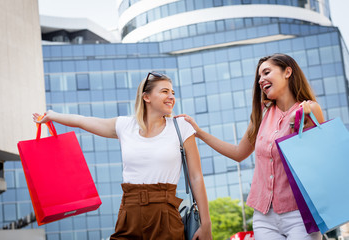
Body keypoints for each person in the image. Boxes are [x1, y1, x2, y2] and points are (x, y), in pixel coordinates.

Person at [33, 72, 212, 240]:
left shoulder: (181, 126)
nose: (171, 96)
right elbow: (83, 121)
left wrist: (206, 224)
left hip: (165, 213)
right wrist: (53, 116)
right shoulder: (125, 126)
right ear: (146, 97)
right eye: (165, 91)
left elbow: (196, 177)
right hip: (129, 211)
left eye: (172, 92)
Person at [176, 53, 324, 240]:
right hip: (264, 217)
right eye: (259, 77)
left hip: (300, 214)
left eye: (266, 72)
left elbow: (315, 160)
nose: (261, 80)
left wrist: (297, 124)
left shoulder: (310, 110)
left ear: (287, 72)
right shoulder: (262, 114)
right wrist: (199, 132)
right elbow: (239, 153)